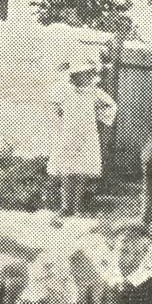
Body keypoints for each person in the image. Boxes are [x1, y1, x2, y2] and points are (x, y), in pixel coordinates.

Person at [49, 51, 116, 220]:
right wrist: (59, 117)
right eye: (81, 74)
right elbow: (53, 105)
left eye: (88, 73)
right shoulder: (64, 90)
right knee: (67, 170)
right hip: (68, 134)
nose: (85, 77)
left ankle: (77, 207)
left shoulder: (94, 92)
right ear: (74, 75)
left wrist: (100, 117)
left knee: (82, 171)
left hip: (87, 135)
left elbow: (110, 106)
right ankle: (65, 206)